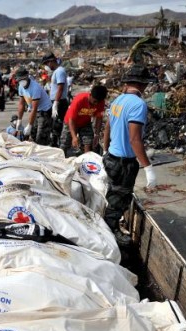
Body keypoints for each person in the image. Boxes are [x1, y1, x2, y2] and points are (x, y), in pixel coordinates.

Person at [102, 64, 156, 246]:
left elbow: (107, 127)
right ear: (143, 85)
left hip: (111, 157)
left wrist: (105, 149)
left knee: (113, 195)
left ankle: (112, 226)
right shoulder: (138, 105)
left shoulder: (117, 101)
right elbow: (135, 140)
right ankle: (110, 235)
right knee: (118, 199)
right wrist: (148, 167)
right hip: (124, 163)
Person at [60, 85, 108, 156]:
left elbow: (99, 118)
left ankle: (86, 160)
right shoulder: (79, 99)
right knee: (64, 144)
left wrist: (97, 134)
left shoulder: (100, 102)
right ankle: (61, 160)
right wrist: (74, 137)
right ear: (90, 95)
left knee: (88, 142)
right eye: (94, 101)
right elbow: (71, 120)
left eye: (98, 102)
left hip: (85, 123)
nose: (96, 104)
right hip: (70, 122)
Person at [14, 66, 53, 145]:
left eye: (23, 78)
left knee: (41, 136)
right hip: (35, 111)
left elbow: (34, 109)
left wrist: (29, 125)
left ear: (27, 77)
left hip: (44, 111)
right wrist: (19, 120)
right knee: (33, 134)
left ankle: (45, 146)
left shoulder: (35, 87)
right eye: (19, 79)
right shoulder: (20, 87)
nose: (21, 81)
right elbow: (21, 104)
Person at [42, 52, 69, 147]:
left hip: (60, 102)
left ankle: (57, 145)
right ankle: (54, 143)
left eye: (46, 64)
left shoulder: (60, 71)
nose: (46, 66)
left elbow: (60, 88)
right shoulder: (56, 72)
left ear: (50, 62)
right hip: (56, 101)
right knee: (54, 124)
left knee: (57, 125)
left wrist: (56, 103)